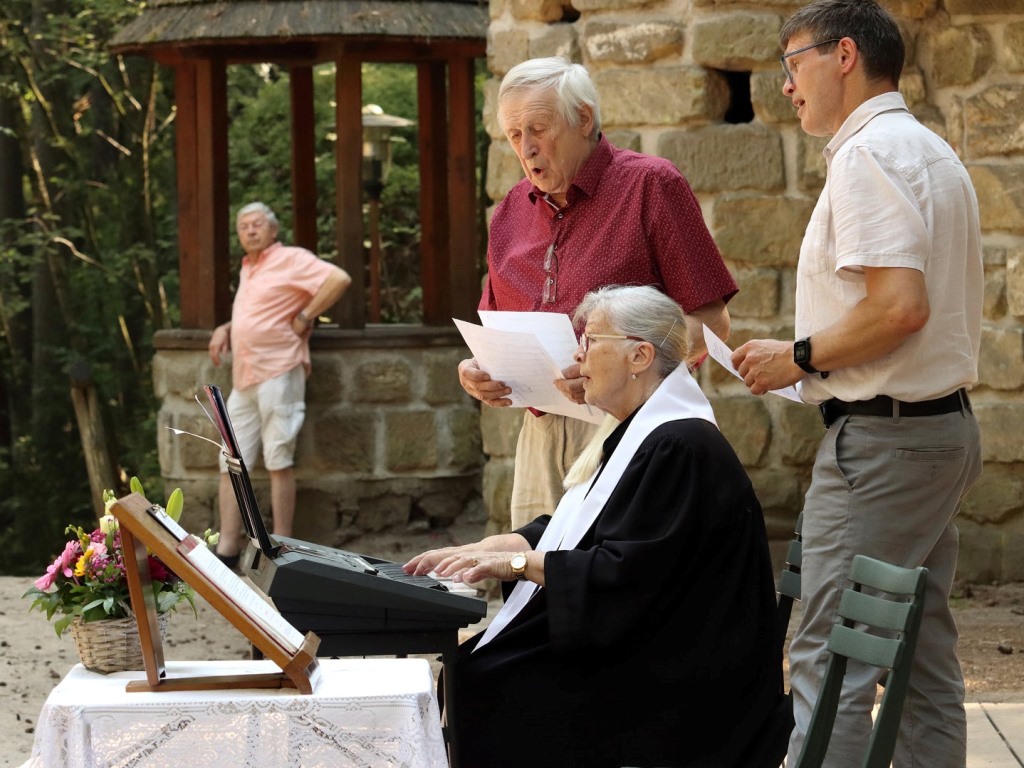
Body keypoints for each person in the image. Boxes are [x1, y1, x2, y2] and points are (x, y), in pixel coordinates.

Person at [731, 2, 983, 765]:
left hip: (884, 444)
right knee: (920, 655)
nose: (785, 86)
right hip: (932, 435)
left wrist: (798, 357)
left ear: (843, 55)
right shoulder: (926, 148)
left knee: (831, 656)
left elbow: (899, 308)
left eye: (793, 64)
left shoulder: (868, 153)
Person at [407, 285, 786, 768]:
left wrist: (517, 564)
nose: (577, 354)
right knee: (476, 666)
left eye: (590, 341)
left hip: (687, 684)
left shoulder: (681, 444)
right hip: (658, 647)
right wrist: (501, 544)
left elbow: (630, 572)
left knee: (489, 681)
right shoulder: (643, 430)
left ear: (639, 356)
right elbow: (602, 526)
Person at [461, 56, 738, 530]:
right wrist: (475, 370)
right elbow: (495, 323)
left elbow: (712, 322)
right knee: (530, 568)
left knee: (617, 571)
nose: (526, 148)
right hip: (540, 434)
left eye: (538, 129)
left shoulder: (651, 184)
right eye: (514, 135)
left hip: (634, 428)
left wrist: (613, 368)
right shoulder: (509, 210)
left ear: (584, 118)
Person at [209, 201, 351, 566]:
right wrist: (227, 327)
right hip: (245, 378)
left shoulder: (290, 258)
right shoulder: (248, 267)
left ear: (273, 230)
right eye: (244, 226)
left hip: (279, 370)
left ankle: (280, 549)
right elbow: (259, 311)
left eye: (257, 224)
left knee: (278, 459)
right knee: (230, 460)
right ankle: (227, 548)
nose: (250, 230)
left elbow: (339, 278)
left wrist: (305, 315)